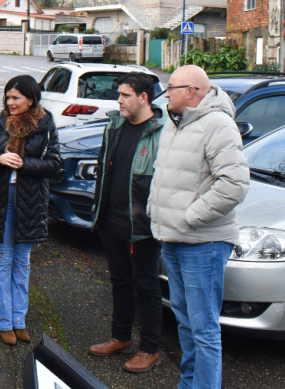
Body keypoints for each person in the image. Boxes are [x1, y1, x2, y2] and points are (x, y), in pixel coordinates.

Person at [149, 65, 249, 389]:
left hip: (203, 244)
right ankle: (188, 384)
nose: (166, 94)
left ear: (192, 91)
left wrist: (189, 217)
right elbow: (164, 173)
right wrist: (158, 212)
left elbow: (234, 184)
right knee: (185, 323)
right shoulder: (175, 122)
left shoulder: (218, 124)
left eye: (172, 88)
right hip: (174, 239)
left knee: (204, 329)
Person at [0, 75, 61, 346]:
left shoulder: (45, 125)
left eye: (16, 98)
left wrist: (25, 164)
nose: (10, 102)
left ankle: (19, 320)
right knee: (3, 260)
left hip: (30, 202)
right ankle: (3, 322)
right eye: (8, 97)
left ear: (31, 99)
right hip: (1, 201)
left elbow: (55, 165)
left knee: (22, 262)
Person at [88, 73, 165, 373]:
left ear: (143, 98)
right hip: (111, 220)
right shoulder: (115, 126)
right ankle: (120, 337)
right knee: (120, 282)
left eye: (125, 95)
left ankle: (150, 348)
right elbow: (103, 168)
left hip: (142, 227)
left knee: (146, 286)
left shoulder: (161, 131)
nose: (118, 100)